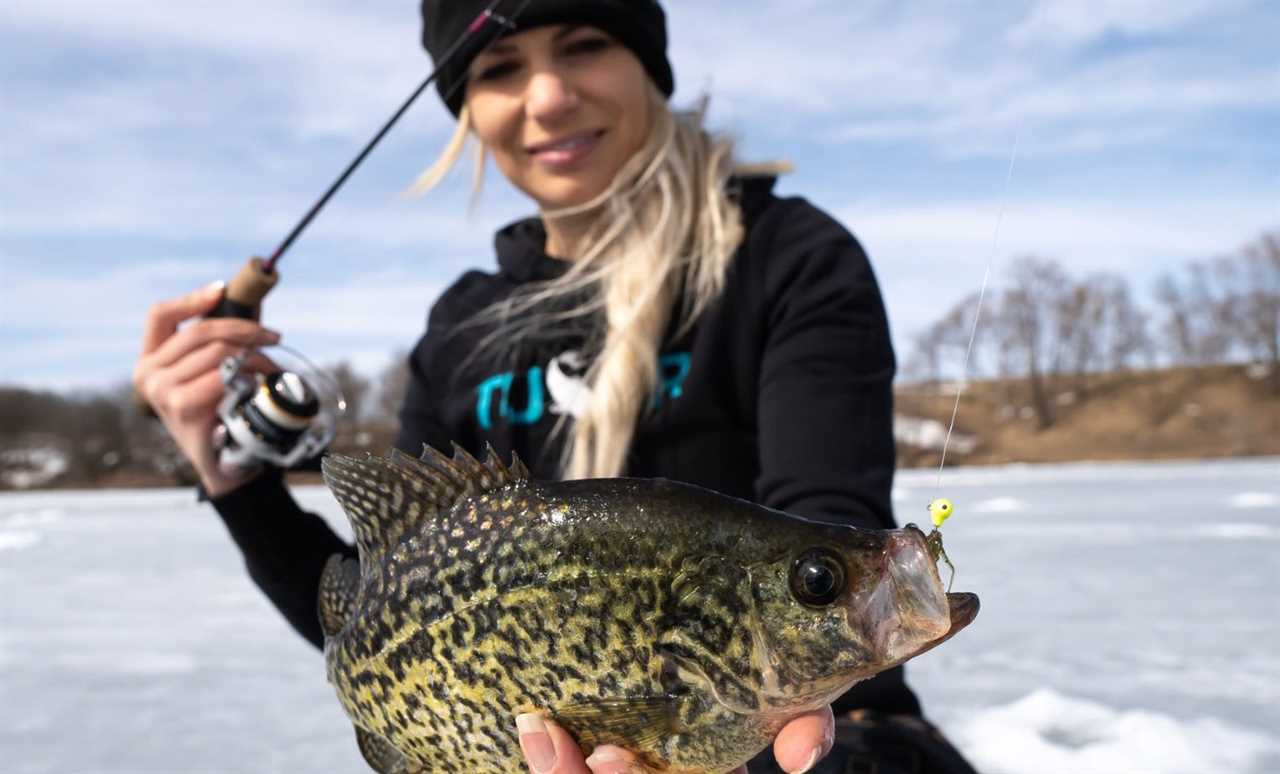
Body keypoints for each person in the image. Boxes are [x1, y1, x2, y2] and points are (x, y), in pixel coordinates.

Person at [132, 2, 979, 772]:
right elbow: (377, 620)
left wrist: (824, 593)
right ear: (468, 109)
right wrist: (234, 478)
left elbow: (819, 508)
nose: (546, 97)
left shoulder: (786, 259)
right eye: (499, 69)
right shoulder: (459, 329)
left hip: (839, 745)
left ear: (647, 63)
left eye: (584, 45)